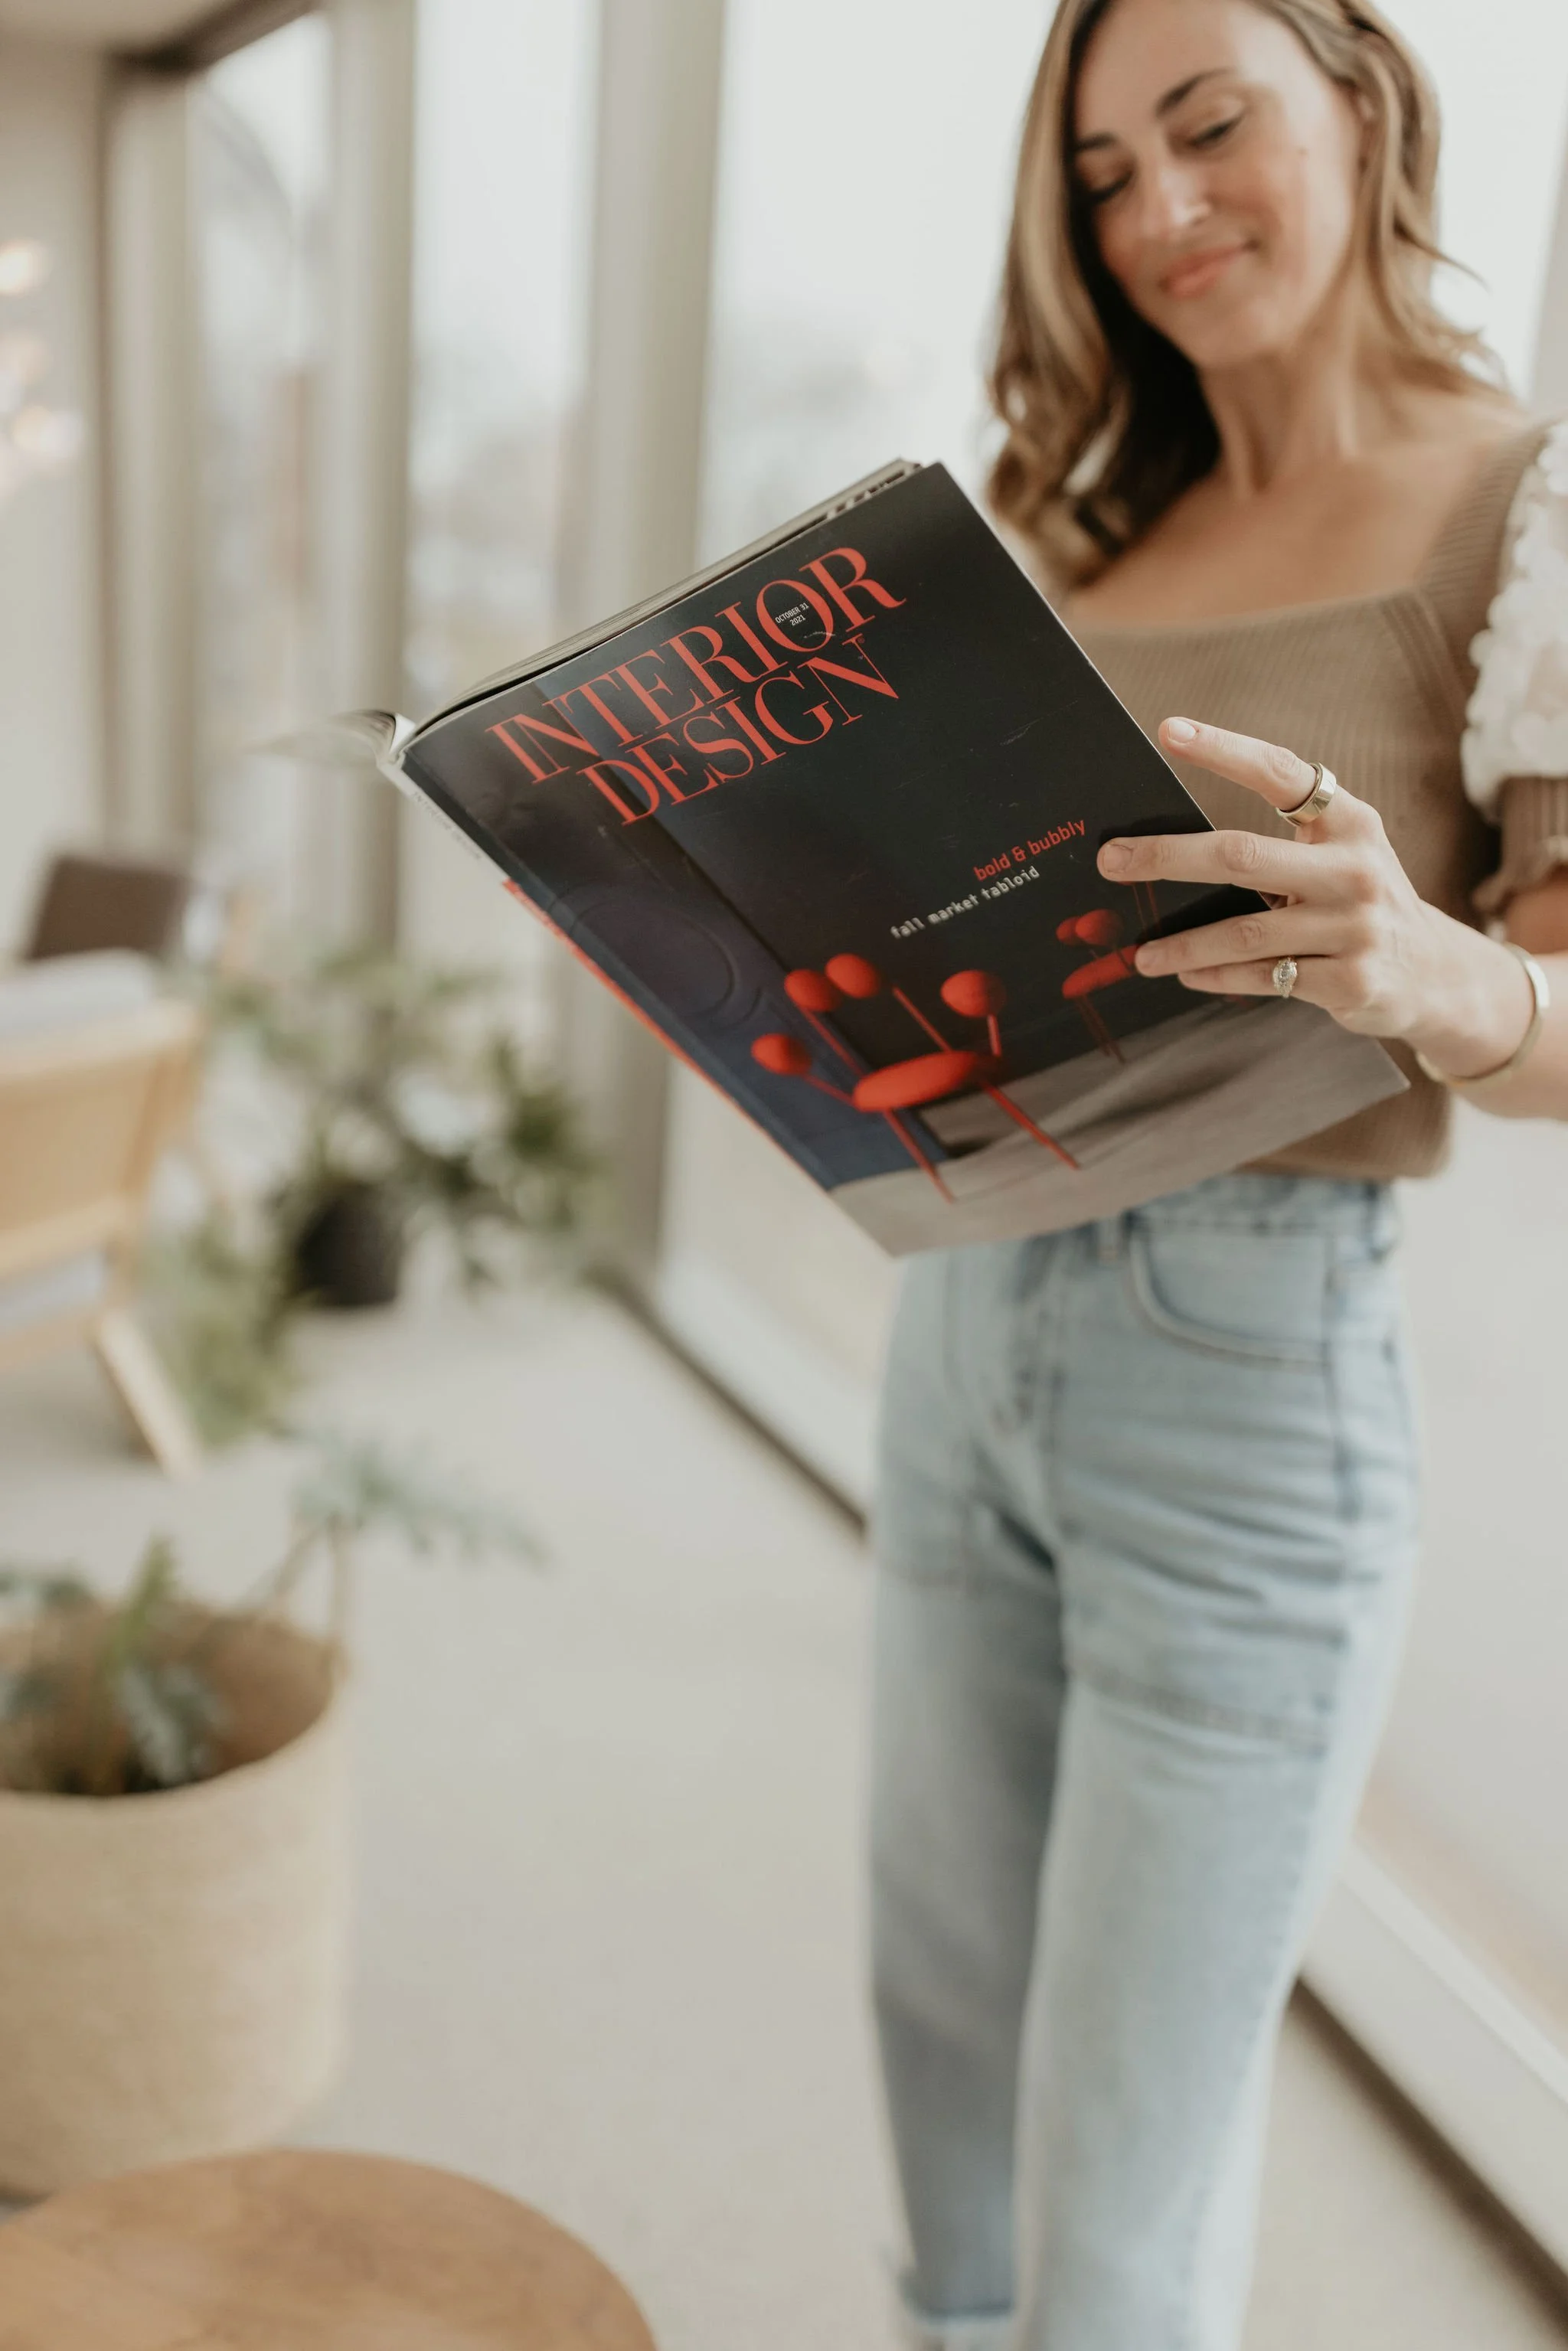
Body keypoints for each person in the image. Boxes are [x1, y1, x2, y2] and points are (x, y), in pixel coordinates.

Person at [867, 4, 1568, 2346]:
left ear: (1358, 102)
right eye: (1101, 174)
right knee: (949, 2106)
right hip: (963, 1330)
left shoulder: (1528, 501)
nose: (1157, 214)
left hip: (1248, 1378)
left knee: (1117, 2215)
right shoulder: (1071, 522)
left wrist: (1423, 959)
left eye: (1209, 124)